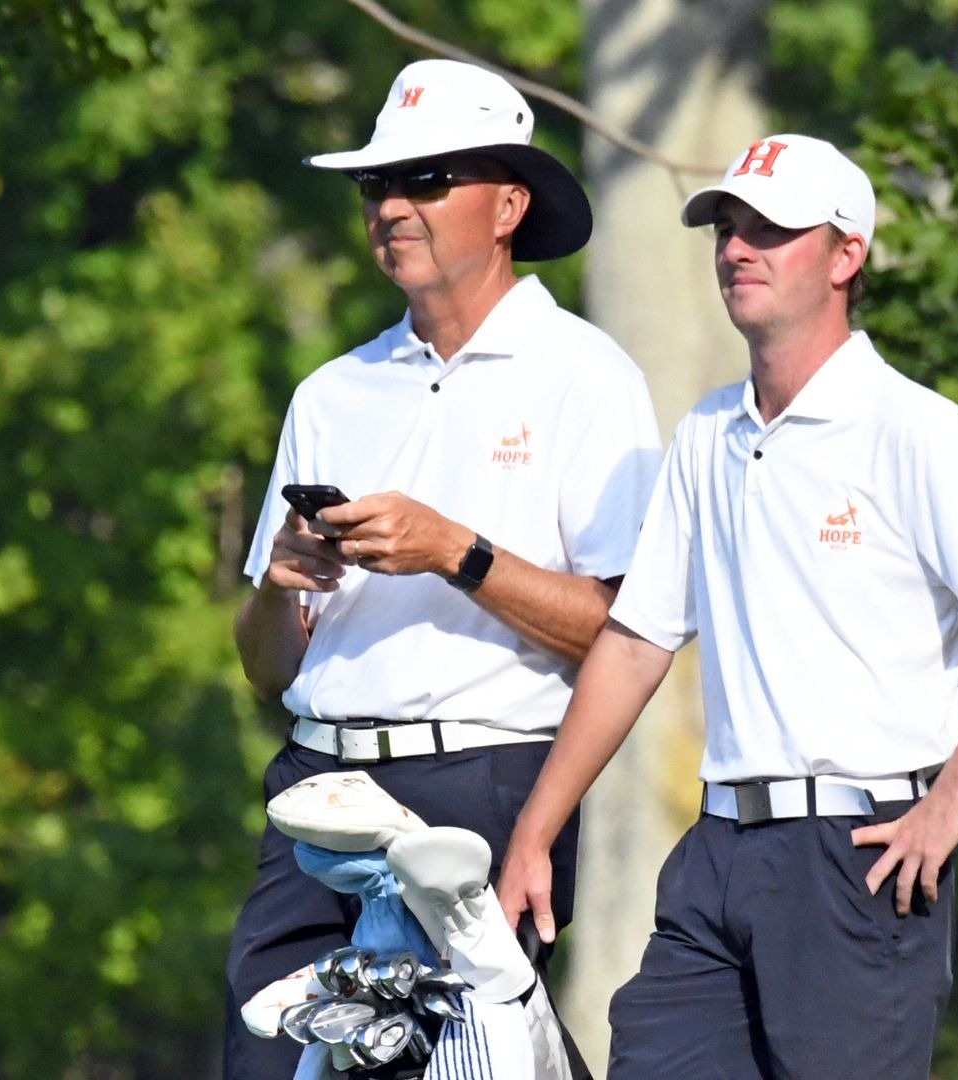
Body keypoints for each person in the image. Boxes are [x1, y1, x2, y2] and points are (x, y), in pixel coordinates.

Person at [497, 133, 958, 1078]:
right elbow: (635, 642)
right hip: (718, 852)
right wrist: (535, 831)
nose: (738, 249)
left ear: (846, 254)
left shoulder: (911, 426)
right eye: (727, 229)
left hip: (859, 857)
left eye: (770, 230)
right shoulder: (705, 431)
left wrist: (953, 798)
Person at [223, 59, 661, 1078]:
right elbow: (266, 671)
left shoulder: (588, 378)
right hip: (314, 785)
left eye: (426, 180)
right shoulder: (331, 391)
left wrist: (454, 553)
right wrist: (278, 587)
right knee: (263, 1063)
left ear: (509, 206)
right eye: (376, 184)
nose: (391, 206)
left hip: (481, 786)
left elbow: (627, 634)